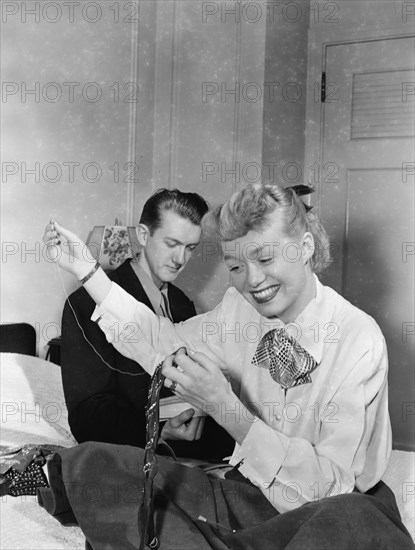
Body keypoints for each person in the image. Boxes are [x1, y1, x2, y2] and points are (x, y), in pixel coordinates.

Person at [41, 183, 413, 549]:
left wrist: (223, 406)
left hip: (324, 507)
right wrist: (88, 272)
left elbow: (324, 487)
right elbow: (163, 340)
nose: (252, 280)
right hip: (245, 493)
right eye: (236, 266)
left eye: (265, 259)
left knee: (354, 523)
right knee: (92, 463)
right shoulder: (239, 308)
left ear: (305, 247)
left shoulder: (357, 337)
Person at [59, 188, 234, 459]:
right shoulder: (84, 303)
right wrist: (157, 432)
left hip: (195, 449)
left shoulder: (183, 303)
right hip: (131, 451)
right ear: (143, 235)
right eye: (172, 244)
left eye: (190, 248)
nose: (180, 260)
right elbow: (87, 412)